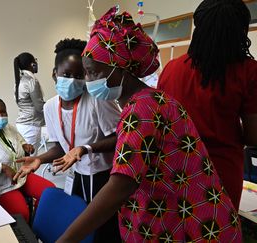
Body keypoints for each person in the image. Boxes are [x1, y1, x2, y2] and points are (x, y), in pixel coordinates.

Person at [57, 7, 241, 242]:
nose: (88, 81)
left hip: (193, 229)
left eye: (93, 73)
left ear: (119, 67)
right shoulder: (150, 100)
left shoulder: (142, 110)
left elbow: (120, 186)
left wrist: (65, 239)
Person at [15, 38, 122, 242]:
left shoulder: (97, 101)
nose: (73, 80)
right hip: (77, 176)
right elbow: (60, 147)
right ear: (54, 74)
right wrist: (40, 159)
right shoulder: (50, 107)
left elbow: (121, 138)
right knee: (78, 225)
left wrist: (86, 148)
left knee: (103, 230)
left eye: (79, 75)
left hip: (103, 177)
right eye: (66, 74)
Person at [157, 0, 257, 210]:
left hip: (174, 168)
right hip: (220, 173)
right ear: (240, 31)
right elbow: (252, 136)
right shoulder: (248, 71)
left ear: (198, 27)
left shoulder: (171, 68)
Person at [0, 97, 55, 223]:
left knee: (50, 192)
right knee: (22, 214)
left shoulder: (8, 127)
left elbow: (20, 139)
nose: (0, 116)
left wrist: (25, 145)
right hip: (2, 186)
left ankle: (37, 223)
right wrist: (2, 167)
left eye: (3, 112)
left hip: (21, 176)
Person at [14, 52, 45, 152]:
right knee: (30, 160)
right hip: (31, 126)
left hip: (22, 124)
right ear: (32, 64)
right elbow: (39, 106)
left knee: (24, 158)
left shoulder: (19, 81)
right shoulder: (31, 81)